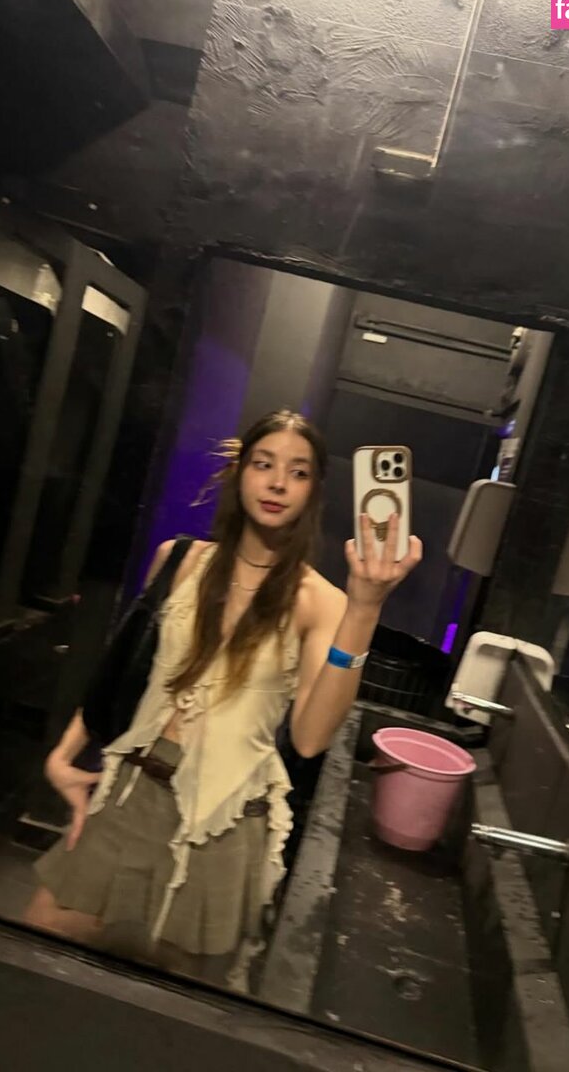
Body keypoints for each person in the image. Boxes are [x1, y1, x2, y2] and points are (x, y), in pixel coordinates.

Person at [25, 409, 422, 986]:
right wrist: (63, 756)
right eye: (264, 464)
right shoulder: (180, 559)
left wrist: (364, 609)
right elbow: (123, 671)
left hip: (224, 822)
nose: (278, 483)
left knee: (178, 997)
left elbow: (311, 738)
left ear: (314, 492)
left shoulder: (320, 601)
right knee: (41, 939)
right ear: (240, 473)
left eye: (298, 472)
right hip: (133, 793)